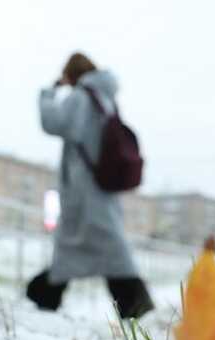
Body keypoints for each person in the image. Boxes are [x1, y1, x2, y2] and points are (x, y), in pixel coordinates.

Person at [26, 52, 154, 319]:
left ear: (71, 74)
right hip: (100, 188)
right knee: (97, 248)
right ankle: (43, 297)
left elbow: (55, 123)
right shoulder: (105, 97)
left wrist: (48, 93)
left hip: (84, 191)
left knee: (107, 250)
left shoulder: (81, 97)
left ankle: (136, 306)